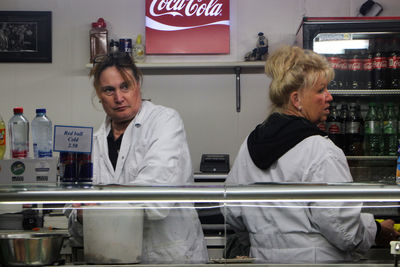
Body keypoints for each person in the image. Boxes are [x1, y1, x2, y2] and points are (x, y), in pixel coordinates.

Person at [223, 45, 399, 263]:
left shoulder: (248, 146)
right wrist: (378, 231)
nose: (329, 97)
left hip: (264, 260)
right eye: (320, 90)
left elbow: (232, 212)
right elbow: (344, 231)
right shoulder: (320, 150)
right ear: (296, 100)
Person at [66, 52, 208, 264]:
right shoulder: (94, 142)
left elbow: (154, 201)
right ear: (99, 94)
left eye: (125, 86)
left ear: (138, 85)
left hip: (168, 258)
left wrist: (96, 210)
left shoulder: (165, 121)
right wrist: (79, 215)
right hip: (113, 257)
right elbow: (75, 220)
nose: (119, 98)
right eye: (109, 90)